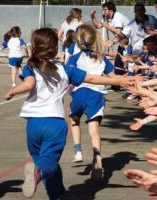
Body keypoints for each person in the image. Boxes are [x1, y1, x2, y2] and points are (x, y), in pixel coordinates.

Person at [4, 28, 131, 199]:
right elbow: (93, 78)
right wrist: (119, 80)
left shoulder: (31, 66)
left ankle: (57, 194)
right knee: (47, 163)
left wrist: (13, 90)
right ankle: (38, 172)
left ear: (33, 49)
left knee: (43, 160)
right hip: (54, 125)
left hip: (33, 125)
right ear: (55, 49)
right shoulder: (64, 70)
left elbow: (29, 84)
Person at [67, 24, 124, 181]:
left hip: (79, 94)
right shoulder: (102, 59)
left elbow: (67, 76)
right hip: (96, 96)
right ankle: (97, 159)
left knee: (73, 120)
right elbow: (114, 79)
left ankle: (77, 150)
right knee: (94, 130)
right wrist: (128, 81)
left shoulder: (74, 58)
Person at [90, 1, 129, 75]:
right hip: (122, 43)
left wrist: (107, 26)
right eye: (103, 9)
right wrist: (92, 17)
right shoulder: (106, 18)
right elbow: (97, 26)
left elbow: (118, 31)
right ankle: (117, 83)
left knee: (128, 64)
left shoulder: (117, 16)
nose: (103, 11)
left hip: (130, 43)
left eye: (105, 9)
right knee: (118, 63)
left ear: (111, 11)